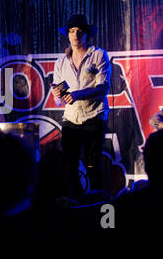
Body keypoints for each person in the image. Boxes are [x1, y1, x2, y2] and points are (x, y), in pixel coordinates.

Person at [51, 14, 111, 199]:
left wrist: (77, 94)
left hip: (94, 116)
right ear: (67, 35)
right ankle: (77, 205)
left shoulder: (98, 54)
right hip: (70, 118)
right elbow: (59, 101)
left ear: (86, 34)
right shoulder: (61, 62)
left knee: (93, 165)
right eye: (71, 31)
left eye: (79, 31)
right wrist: (57, 95)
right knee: (70, 166)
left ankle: (99, 209)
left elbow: (103, 87)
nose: (75, 35)